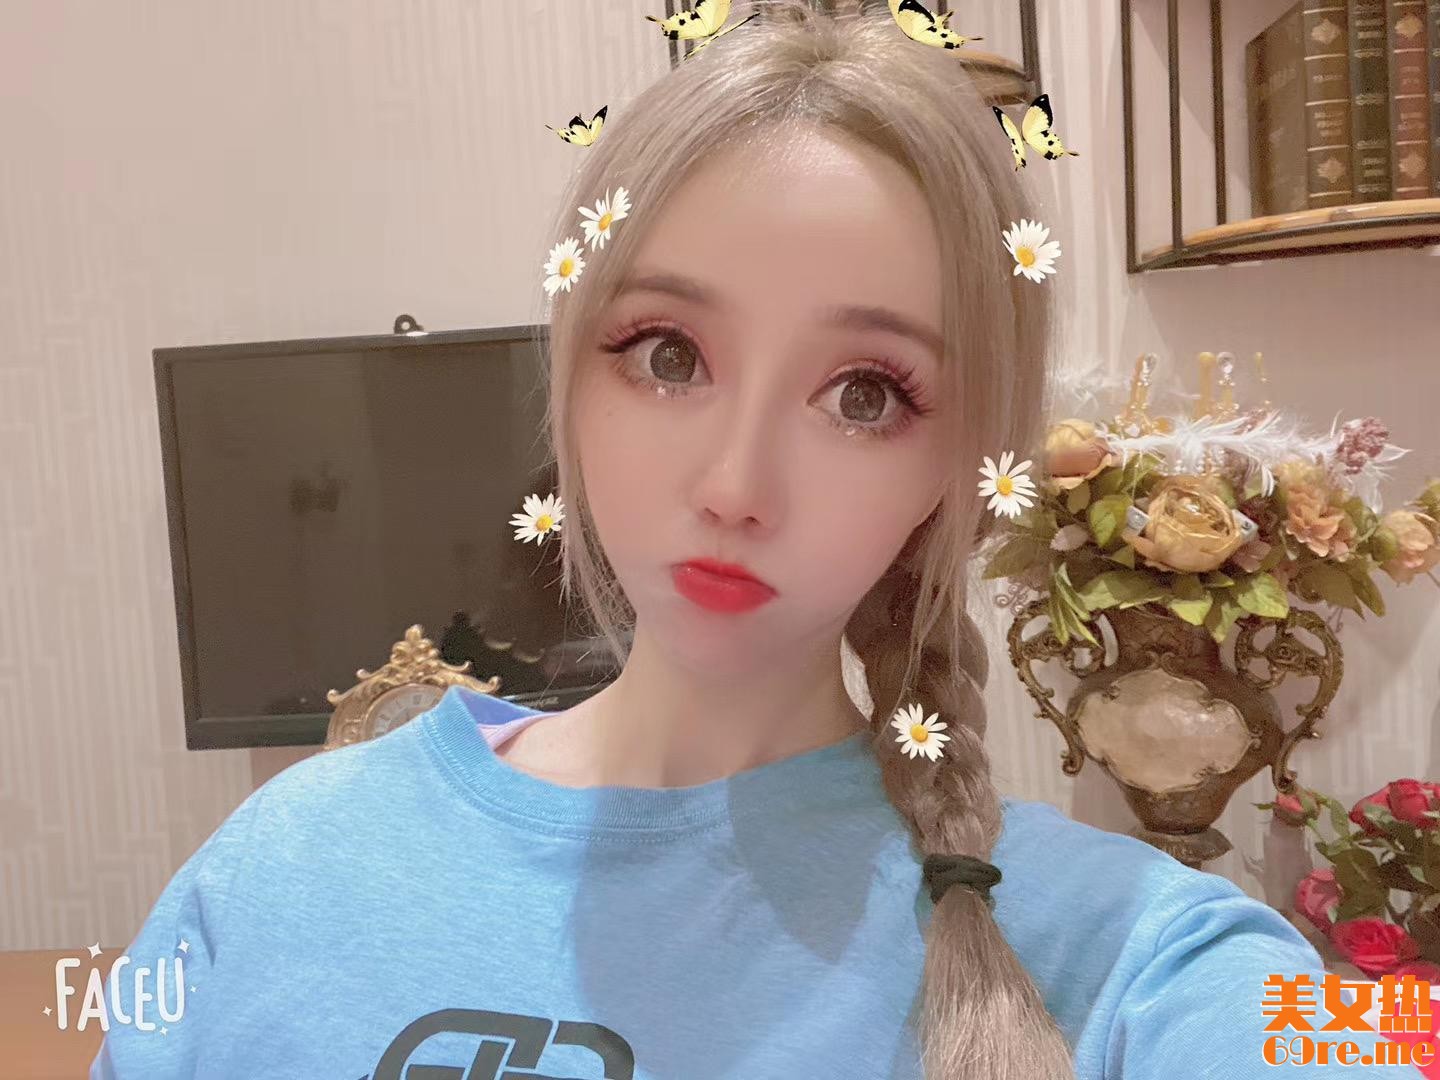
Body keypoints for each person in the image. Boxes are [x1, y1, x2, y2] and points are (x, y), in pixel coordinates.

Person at [92, 4, 1426, 1078]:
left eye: (866, 395)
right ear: (572, 375)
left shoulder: (1137, 951)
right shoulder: (285, 860)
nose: (736, 486)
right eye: (667, 355)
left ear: (959, 465)